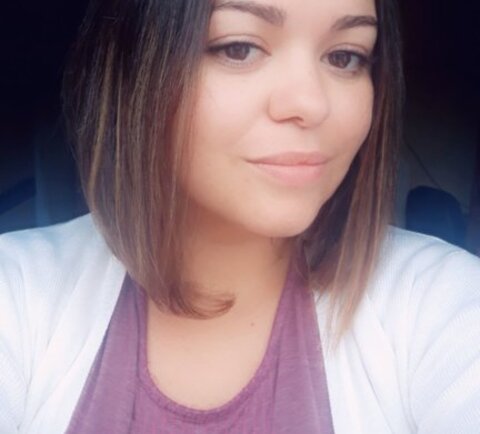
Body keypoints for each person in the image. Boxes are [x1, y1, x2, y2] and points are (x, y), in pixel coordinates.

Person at [1, 0, 479, 432]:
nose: (312, 104)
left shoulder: (441, 303)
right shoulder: (18, 293)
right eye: (239, 48)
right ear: (132, 65)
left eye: (344, 57)